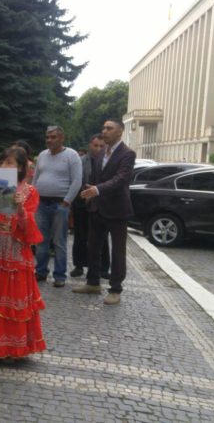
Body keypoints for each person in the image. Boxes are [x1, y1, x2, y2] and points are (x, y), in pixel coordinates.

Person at [0, 147, 46, 360]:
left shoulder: (30, 192)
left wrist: (21, 210)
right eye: (3, 162)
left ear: (22, 167)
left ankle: (11, 347)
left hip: (15, 252)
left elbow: (30, 230)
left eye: (11, 163)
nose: (6, 166)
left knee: (12, 298)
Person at [73, 119, 136, 305]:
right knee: (93, 247)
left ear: (120, 132)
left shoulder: (127, 154)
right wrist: (90, 192)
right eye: (104, 128)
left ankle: (115, 289)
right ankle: (93, 283)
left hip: (117, 210)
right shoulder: (101, 153)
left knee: (117, 251)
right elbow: (95, 177)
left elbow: (121, 179)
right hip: (97, 208)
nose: (105, 131)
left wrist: (97, 189)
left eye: (109, 128)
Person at [32, 126, 82, 287]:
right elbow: (35, 179)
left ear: (62, 138)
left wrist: (66, 202)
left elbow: (77, 181)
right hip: (41, 203)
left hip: (60, 203)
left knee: (59, 242)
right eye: (47, 137)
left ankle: (60, 275)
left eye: (53, 137)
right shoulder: (42, 155)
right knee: (41, 241)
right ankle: (41, 271)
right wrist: (33, 199)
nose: (49, 140)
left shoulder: (72, 155)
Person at [70, 134, 111, 279]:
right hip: (81, 203)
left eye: (102, 146)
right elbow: (75, 181)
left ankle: (104, 267)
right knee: (80, 236)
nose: (99, 148)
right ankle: (79, 265)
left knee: (103, 238)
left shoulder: (108, 161)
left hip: (101, 204)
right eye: (96, 145)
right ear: (89, 145)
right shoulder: (80, 161)